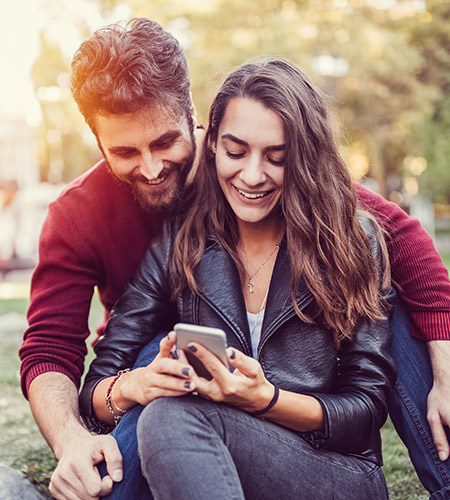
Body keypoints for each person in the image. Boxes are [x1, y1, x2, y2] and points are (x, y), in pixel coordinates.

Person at [18, 18, 450, 500]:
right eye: (126, 151)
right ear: (97, 143)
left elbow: (403, 241)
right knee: (162, 383)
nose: (153, 167)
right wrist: (95, 418)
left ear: (196, 121)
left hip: (324, 454)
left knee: (414, 322)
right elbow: (55, 354)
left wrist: (446, 366)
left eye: (164, 142)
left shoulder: (327, 214)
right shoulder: (167, 240)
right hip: (196, 394)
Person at [80, 58, 398, 499]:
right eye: (235, 152)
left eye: (277, 158)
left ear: (305, 158)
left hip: (334, 473)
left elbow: (365, 410)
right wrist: (136, 383)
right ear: (210, 145)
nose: (252, 176)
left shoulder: (353, 240)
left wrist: (264, 400)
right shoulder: (182, 241)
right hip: (213, 459)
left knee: (172, 419)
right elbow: (96, 387)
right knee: (166, 416)